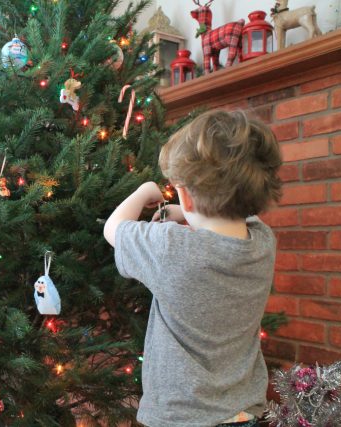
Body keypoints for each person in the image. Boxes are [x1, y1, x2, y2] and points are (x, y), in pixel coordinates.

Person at [103, 110, 282, 427]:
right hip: (244, 411)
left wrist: (146, 190)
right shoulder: (263, 243)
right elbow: (240, 217)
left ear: (184, 194)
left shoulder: (170, 247)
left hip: (180, 415)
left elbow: (114, 229)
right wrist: (186, 211)